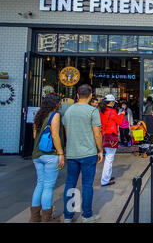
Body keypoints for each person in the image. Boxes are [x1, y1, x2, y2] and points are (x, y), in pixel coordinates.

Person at [62, 84, 103, 223]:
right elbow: (97, 134)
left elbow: (67, 132)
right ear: (91, 95)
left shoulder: (68, 110)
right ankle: (87, 216)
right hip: (88, 152)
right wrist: (100, 150)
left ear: (77, 95)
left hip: (72, 153)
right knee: (87, 184)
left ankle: (68, 216)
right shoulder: (93, 111)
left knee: (70, 183)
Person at [30, 93, 65, 223]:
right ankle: (46, 218)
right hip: (50, 155)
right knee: (48, 187)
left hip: (37, 154)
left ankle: (34, 218)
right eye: (59, 102)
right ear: (55, 103)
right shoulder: (54, 115)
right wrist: (61, 154)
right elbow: (55, 135)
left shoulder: (38, 115)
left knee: (40, 184)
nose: (60, 104)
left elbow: (35, 136)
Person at [99, 95, 125, 186]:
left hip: (104, 135)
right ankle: (105, 180)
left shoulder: (102, 111)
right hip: (111, 135)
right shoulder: (112, 111)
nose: (114, 104)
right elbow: (120, 122)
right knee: (109, 158)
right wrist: (122, 114)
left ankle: (107, 176)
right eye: (114, 102)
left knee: (108, 157)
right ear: (111, 102)